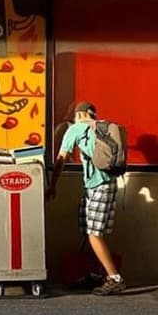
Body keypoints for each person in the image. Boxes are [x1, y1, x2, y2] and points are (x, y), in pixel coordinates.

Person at [46, 100, 125, 296]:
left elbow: (61, 159)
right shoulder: (102, 128)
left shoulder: (76, 129)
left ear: (79, 115)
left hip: (98, 186)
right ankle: (96, 274)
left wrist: (52, 186)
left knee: (94, 234)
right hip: (108, 184)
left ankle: (115, 278)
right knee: (92, 232)